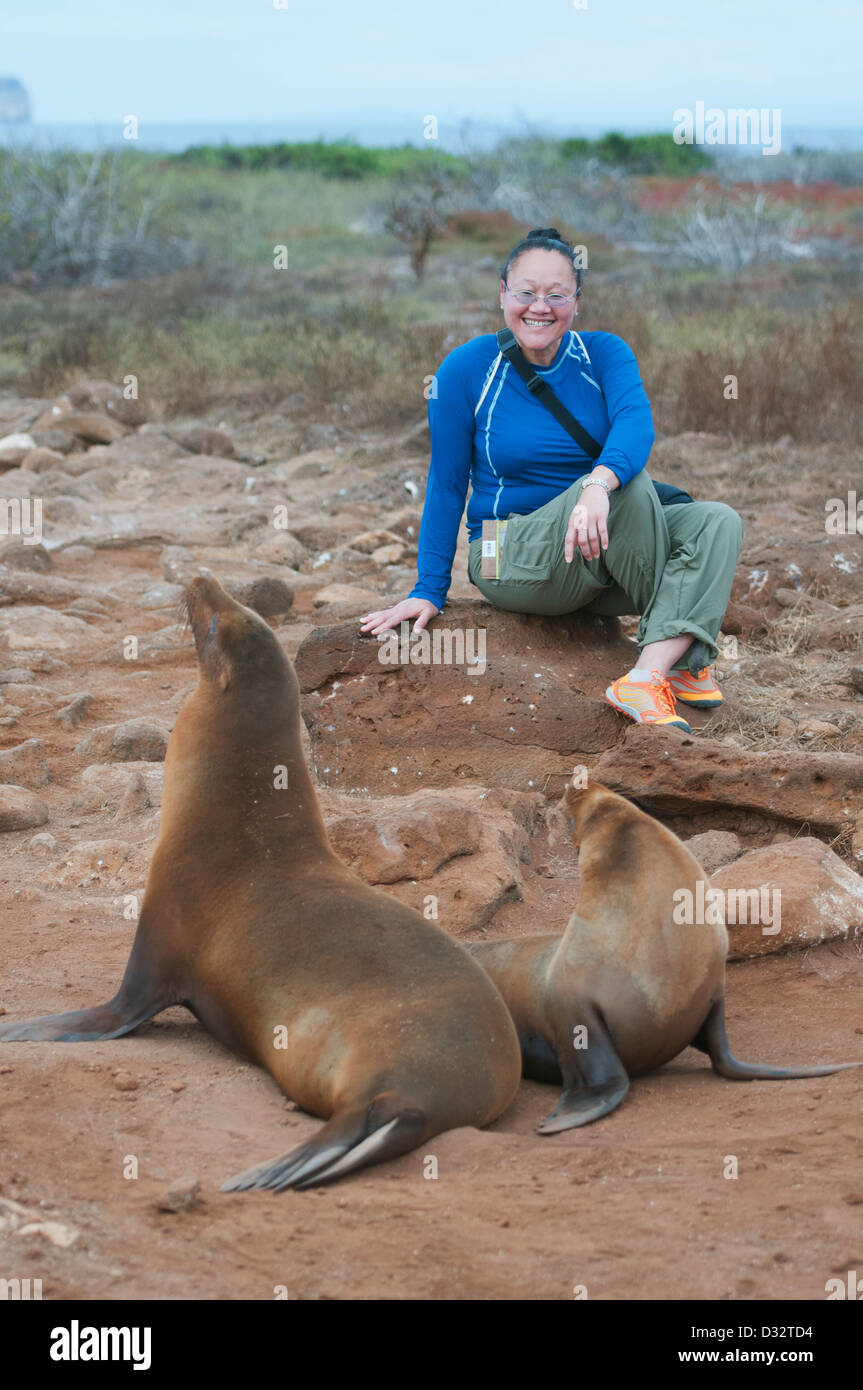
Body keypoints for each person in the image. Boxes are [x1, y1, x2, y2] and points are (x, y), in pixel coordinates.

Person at [360, 227, 743, 732]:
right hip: (503, 550)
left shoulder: (604, 354)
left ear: (576, 303)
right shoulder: (465, 370)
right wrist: (429, 589)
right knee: (628, 488)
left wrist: (594, 485)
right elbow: (447, 483)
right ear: (502, 294)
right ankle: (683, 651)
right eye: (525, 292)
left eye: (556, 295)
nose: (539, 307)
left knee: (716, 522)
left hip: (592, 551)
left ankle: (648, 676)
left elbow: (635, 425)